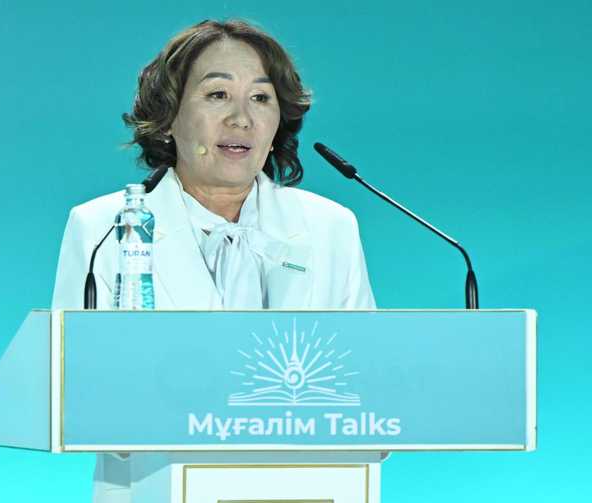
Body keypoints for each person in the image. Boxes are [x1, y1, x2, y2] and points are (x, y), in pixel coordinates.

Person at [51, 19, 375, 503]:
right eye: (218, 95)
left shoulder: (331, 228)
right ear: (168, 117)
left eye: (261, 98)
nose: (242, 119)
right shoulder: (102, 228)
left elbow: (369, 386)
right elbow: (74, 395)